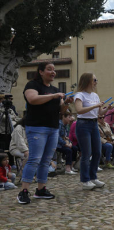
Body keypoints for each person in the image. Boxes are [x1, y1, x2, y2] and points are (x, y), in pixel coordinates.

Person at [18, 62, 73, 204]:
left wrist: (66, 102)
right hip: (36, 127)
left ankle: (41, 189)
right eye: (49, 69)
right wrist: (54, 96)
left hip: (53, 128)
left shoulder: (55, 89)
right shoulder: (33, 85)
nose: (53, 72)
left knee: (46, 160)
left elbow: (61, 111)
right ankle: (23, 191)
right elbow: (32, 99)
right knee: (34, 159)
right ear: (41, 72)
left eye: (54, 70)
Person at [74, 73, 108, 190]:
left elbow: (100, 114)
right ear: (88, 81)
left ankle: (93, 177)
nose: (96, 82)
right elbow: (79, 110)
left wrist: (106, 108)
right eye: (94, 80)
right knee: (86, 153)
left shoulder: (95, 95)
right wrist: (95, 106)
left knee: (97, 151)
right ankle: (85, 180)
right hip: (83, 124)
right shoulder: (79, 95)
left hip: (94, 124)